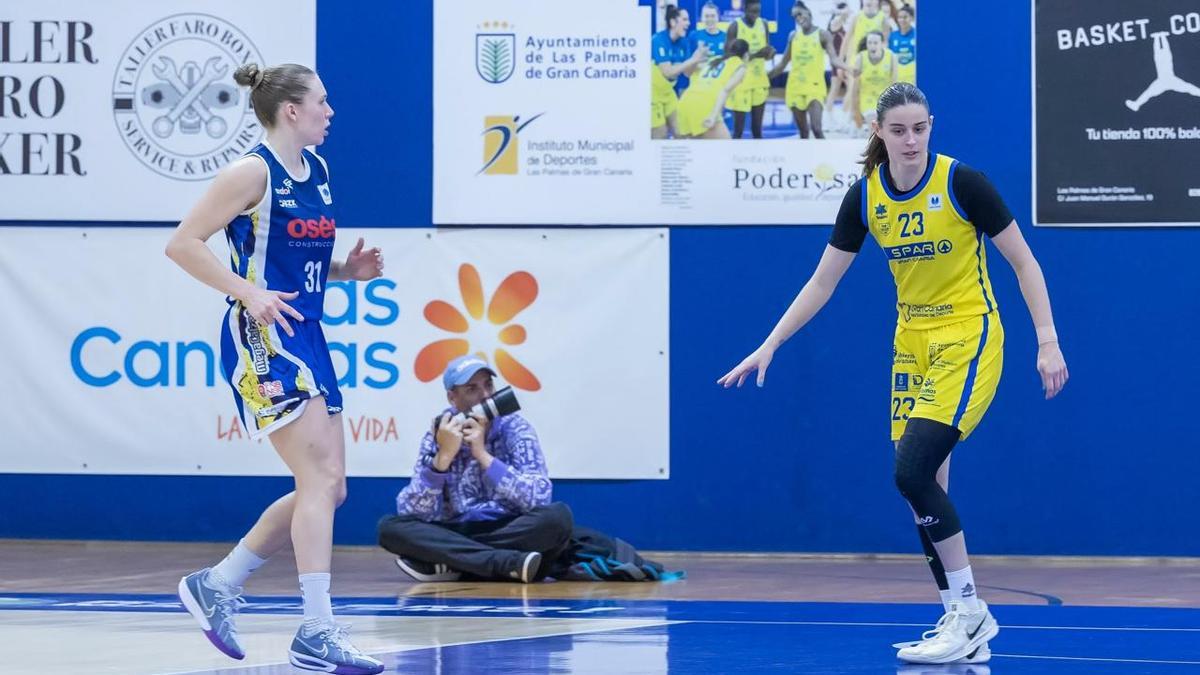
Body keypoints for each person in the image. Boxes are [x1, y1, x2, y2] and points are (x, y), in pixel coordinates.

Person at [718, 82, 1069, 665]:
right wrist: (769, 344)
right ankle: (960, 618)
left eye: (920, 128)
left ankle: (973, 612)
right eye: (899, 130)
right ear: (878, 131)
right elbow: (822, 282)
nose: (911, 140)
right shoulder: (864, 198)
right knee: (923, 491)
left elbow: (1024, 261)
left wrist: (1048, 341)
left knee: (911, 471)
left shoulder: (963, 184)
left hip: (969, 335)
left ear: (932, 126)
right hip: (911, 345)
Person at [166, 62, 386, 675]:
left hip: (307, 330)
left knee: (330, 486)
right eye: (322, 100)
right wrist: (247, 292)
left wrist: (347, 271)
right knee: (320, 480)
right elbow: (182, 243)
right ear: (291, 109)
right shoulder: (249, 172)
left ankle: (218, 583)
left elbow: (292, 258)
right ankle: (316, 629)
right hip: (263, 335)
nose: (330, 110)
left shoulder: (315, 169)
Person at [377, 356, 573, 583]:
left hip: (508, 527)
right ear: (453, 398)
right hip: (456, 530)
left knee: (557, 519)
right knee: (390, 528)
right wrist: (442, 460)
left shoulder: (516, 428)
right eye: (472, 389)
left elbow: (538, 498)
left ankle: (451, 561)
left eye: (488, 385)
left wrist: (483, 455)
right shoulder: (440, 433)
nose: (486, 395)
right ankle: (506, 563)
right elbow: (414, 512)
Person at [768, 2, 846, 139]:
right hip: (795, 88)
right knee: (803, 132)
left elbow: (834, 59)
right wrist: (764, 77)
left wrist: (849, 68)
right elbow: (782, 64)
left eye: (800, 14)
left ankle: (825, 159)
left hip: (814, 88)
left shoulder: (822, 34)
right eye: (794, 17)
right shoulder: (793, 36)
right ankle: (806, 159)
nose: (798, 18)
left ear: (808, 13)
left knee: (816, 128)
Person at [652, 4, 709, 138]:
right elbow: (668, 72)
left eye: (688, 20)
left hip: (669, 93)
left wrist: (698, 59)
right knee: (660, 134)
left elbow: (687, 73)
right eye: (684, 19)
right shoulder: (658, 40)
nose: (688, 23)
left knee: (682, 131)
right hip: (652, 94)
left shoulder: (684, 42)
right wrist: (692, 60)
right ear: (673, 22)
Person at [677, 39, 749, 139]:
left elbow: (687, 73)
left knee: (697, 151)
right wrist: (713, 116)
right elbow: (725, 90)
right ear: (746, 55)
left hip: (685, 101)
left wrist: (696, 56)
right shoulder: (741, 66)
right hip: (705, 105)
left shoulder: (714, 59)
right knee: (725, 151)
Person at [724, 0, 775, 138]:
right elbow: (729, 55)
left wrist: (770, 53)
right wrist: (757, 54)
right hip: (741, 82)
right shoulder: (735, 27)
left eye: (758, 11)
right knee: (738, 130)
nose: (755, 15)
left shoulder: (763, 24)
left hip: (759, 81)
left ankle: (757, 158)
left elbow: (766, 53)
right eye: (753, 11)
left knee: (757, 130)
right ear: (745, 9)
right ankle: (733, 158)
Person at [848, 31, 896, 131]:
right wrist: (854, 110)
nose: (872, 46)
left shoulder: (891, 57)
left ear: (883, 44)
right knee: (874, 121)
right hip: (867, 98)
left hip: (885, 98)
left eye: (875, 43)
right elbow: (855, 88)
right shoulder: (860, 58)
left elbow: (894, 84)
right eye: (869, 43)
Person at [889, 4, 916, 84]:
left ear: (912, 18)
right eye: (900, 17)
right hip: (897, 77)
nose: (902, 20)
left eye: (905, 17)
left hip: (913, 77)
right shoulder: (893, 36)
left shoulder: (916, 35)